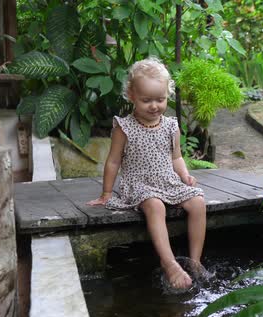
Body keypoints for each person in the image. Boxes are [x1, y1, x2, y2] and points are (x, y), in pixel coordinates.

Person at [86, 57, 207, 290]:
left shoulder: (171, 125)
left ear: (167, 95)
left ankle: (194, 261)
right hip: (139, 185)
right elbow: (113, 162)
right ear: (131, 96)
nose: (154, 106)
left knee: (198, 201)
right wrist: (106, 192)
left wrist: (185, 176)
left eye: (160, 100)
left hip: (168, 181)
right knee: (155, 205)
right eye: (146, 100)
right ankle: (169, 263)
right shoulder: (124, 127)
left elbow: (176, 157)